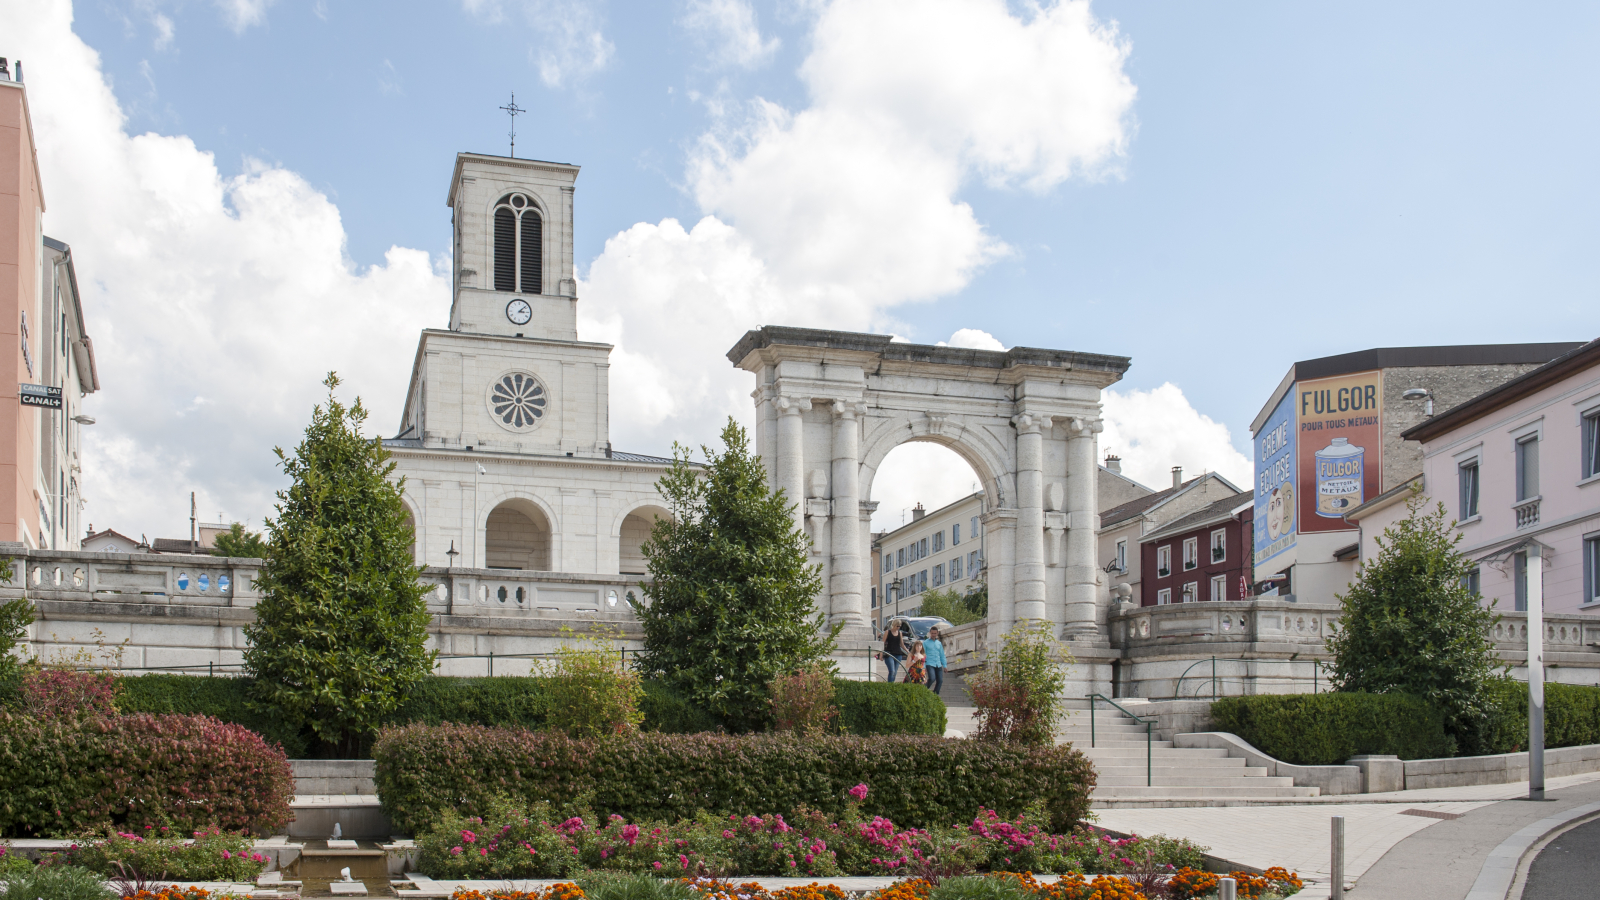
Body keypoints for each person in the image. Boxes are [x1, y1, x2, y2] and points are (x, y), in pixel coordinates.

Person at [923, 626, 946, 695]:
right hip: (929, 663)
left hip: (938, 664)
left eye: (935, 633)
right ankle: (923, 689)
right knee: (932, 678)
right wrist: (923, 666)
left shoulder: (939, 643)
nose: (933, 635)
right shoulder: (925, 643)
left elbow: (942, 655)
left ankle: (935, 694)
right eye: (932, 633)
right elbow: (923, 655)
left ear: (937, 633)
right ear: (930, 633)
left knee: (940, 680)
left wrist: (945, 665)